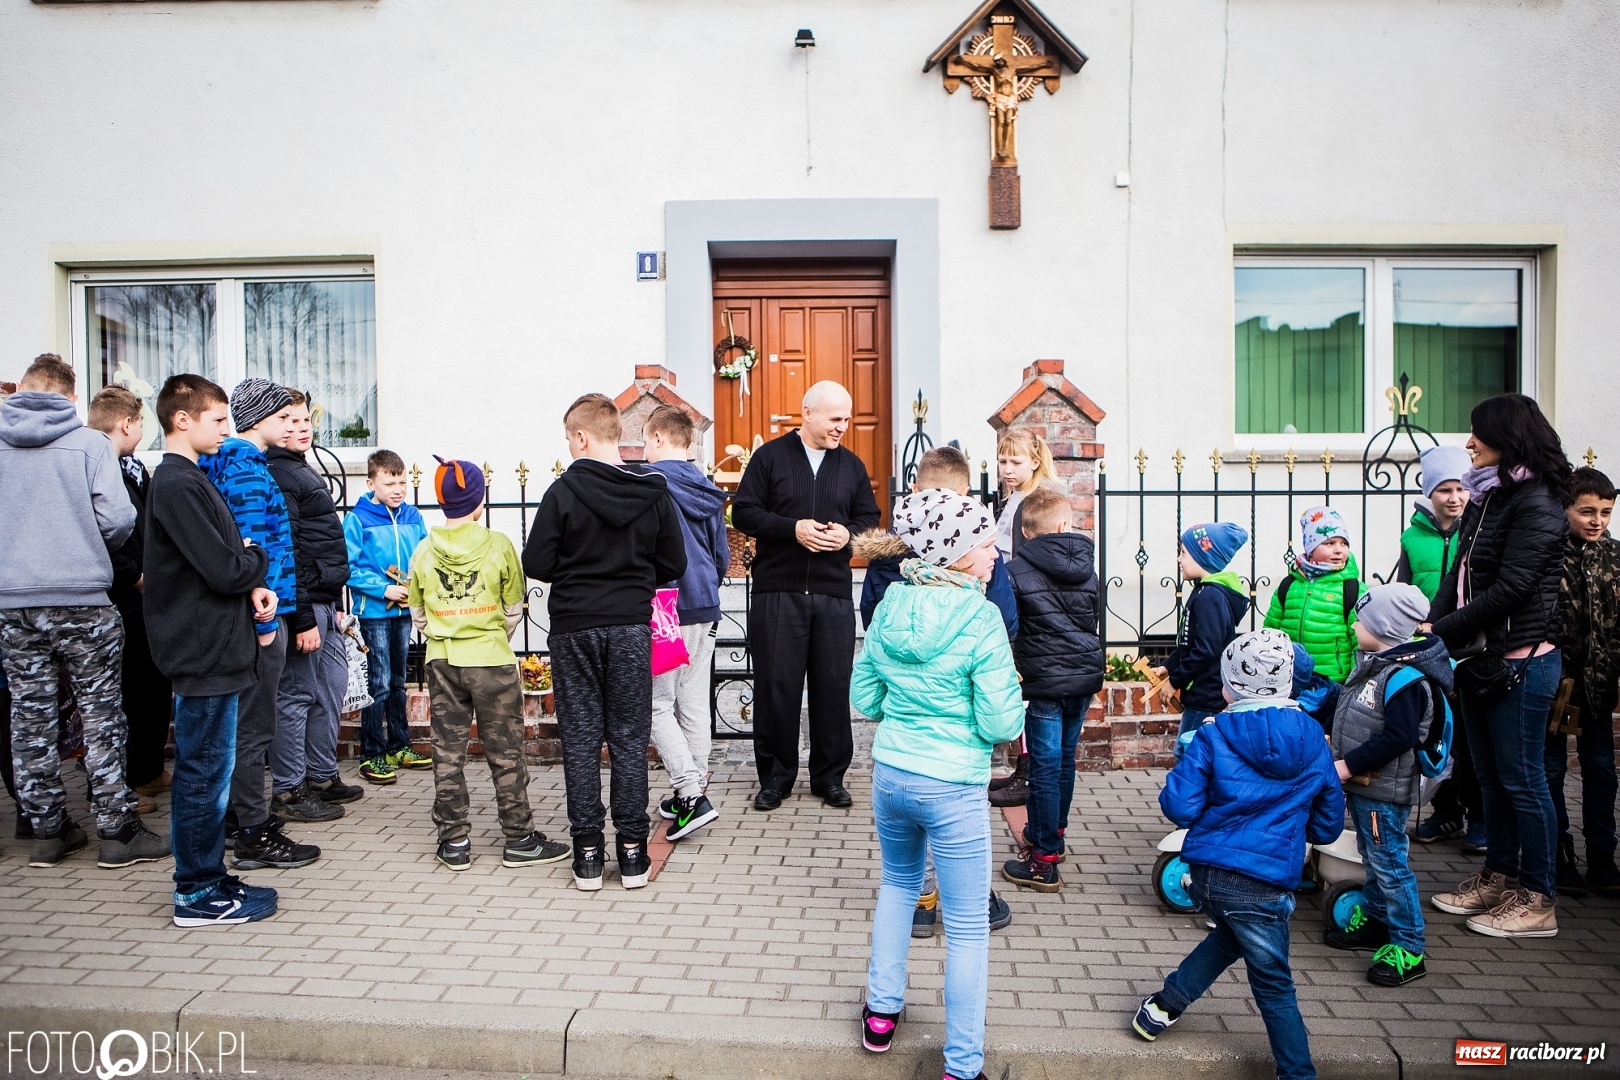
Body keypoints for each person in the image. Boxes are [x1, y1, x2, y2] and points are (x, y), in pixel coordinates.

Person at [851, 491, 1022, 1080]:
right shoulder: (980, 618)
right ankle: (962, 1063)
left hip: (893, 774)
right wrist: (971, 723)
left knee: (898, 885)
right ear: (953, 552)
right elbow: (1002, 722)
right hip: (952, 785)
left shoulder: (892, 602)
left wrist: (909, 711)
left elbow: (864, 696)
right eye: (982, 541)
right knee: (969, 925)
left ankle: (881, 1011)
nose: (995, 550)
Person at [1131, 628, 1343, 1080]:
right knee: (1273, 983)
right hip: (1266, 880)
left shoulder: (1214, 732)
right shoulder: (1313, 739)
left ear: (1229, 687)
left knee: (1231, 934)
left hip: (1209, 874)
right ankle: (1298, 1073)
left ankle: (1163, 1006)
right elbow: (1327, 825)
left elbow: (1179, 806)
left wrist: (1190, 764)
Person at [0, 354, 166, 870]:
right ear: (71, 398)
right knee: (101, 716)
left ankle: (48, 831)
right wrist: (82, 546)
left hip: (13, 602)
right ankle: (117, 831)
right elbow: (117, 519)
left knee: (29, 716)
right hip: (82, 599)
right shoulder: (89, 444)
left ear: (23, 388)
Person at [522, 394, 686, 890]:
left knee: (581, 739)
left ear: (580, 437)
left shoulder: (561, 493)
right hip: (631, 627)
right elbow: (672, 565)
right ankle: (633, 854)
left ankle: (588, 855)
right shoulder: (653, 493)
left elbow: (537, 564)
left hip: (575, 628)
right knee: (630, 740)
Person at [853, 444, 1017, 936]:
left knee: (902, 861)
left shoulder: (892, 559)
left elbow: (871, 634)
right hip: (957, 745)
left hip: (899, 747)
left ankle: (922, 901)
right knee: (957, 833)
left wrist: (896, 683)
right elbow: (1005, 619)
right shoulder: (978, 570)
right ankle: (973, 894)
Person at [1428, 394, 1571, 939]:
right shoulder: (1489, 498)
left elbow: (1513, 589)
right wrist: (1431, 625)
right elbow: (1458, 573)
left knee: (1523, 780)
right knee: (1489, 779)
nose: (1468, 444)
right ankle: (1500, 876)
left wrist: (1443, 631)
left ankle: (1538, 899)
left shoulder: (1536, 504)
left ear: (1506, 437)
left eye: (1477, 434)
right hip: (1480, 658)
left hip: (1521, 662)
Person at [143, 374, 279, 925]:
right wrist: (254, 561)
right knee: (201, 772)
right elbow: (224, 565)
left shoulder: (192, 479)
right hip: (202, 651)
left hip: (217, 645)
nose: (228, 428)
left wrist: (247, 569)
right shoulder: (176, 482)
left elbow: (225, 558)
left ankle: (209, 875)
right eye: (218, 419)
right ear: (183, 419)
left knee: (212, 770)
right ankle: (195, 892)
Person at [410, 456, 568, 872]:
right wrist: (489, 635)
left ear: (440, 501)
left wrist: (448, 633)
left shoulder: (424, 550)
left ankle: (454, 841)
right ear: (480, 500)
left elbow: (418, 616)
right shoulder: (498, 546)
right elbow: (514, 606)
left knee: (447, 751)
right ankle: (519, 838)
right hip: (492, 661)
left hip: (442, 660)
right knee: (506, 751)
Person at [731, 381, 881, 812]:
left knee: (832, 688)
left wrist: (846, 536)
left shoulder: (851, 466)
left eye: (847, 419)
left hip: (833, 593)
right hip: (779, 591)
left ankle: (829, 778)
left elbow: (868, 518)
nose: (842, 428)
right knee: (778, 687)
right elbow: (744, 511)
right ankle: (775, 779)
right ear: (808, 413)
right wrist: (791, 528)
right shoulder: (770, 458)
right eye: (836, 419)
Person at [199, 378, 326, 868]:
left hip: (259, 612)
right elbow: (254, 549)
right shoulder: (248, 467)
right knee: (254, 727)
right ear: (258, 420)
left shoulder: (231, 461)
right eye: (282, 417)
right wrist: (266, 619)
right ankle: (251, 834)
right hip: (262, 616)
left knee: (249, 724)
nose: (293, 424)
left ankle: (242, 817)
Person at [1325, 584, 1452, 987]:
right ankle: (1379, 923)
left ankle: (1410, 948)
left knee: (1390, 865)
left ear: (1383, 627)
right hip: (1368, 789)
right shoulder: (1377, 664)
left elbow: (1398, 738)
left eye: (1361, 619)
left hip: (1382, 790)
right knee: (1375, 858)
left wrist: (1348, 764)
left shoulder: (1403, 678)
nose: (1354, 623)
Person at [1000, 488, 1102, 893]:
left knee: (1043, 768)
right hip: (1082, 678)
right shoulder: (1089, 568)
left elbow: (1010, 625)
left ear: (1025, 531)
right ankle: (1055, 832)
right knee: (1064, 761)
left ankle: (1043, 859)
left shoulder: (1014, 571)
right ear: (1065, 525)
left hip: (1043, 684)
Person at [266, 390, 361, 810]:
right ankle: (289, 788)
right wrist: (303, 616)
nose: (301, 427)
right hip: (305, 606)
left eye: (305, 419)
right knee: (297, 695)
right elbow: (286, 551)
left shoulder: (299, 468)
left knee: (331, 689)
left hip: (325, 602)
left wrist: (331, 603)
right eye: (288, 419)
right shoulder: (281, 472)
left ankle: (322, 776)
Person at [642, 405, 729, 842]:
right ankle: (691, 791)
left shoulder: (650, 483)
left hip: (665, 605)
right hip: (705, 603)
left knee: (656, 703)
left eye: (644, 439)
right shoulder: (707, 488)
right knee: (693, 702)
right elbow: (721, 556)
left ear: (658, 437)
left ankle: (691, 795)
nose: (643, 448)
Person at [87, 386, 173, 805]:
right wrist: (132, 575)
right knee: (123, 696)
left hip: (145, 598)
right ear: (126, 423)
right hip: (122, 597)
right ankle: (117, 780)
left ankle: (147, 770)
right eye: (141, 423)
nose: (144, 431)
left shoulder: (131, 468)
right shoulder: (96, 465)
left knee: (153, 689)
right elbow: (98, 533)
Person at [1397, 445, 1482, 850]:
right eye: (1444, 489)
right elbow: (1406, 588)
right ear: (1429, 493)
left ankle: (1480, 816)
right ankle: (1446, 813)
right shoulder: (1412, 537)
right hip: (1430, 644)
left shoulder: (1478, 529)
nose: (1454, 497)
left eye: (1460, 488)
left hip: (1471, 643)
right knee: (1436, 731)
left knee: (1471, 736)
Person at [1546, 467, 1619, 896]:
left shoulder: (1615, 558)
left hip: (1599, 689)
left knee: (1601, 772)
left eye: (1606, 513)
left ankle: (1603, 858)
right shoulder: (1552, 554)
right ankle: (1559, 855)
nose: (1597, 521)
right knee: (1551, 770)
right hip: (1557, 685)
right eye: (1587, 511)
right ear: (1566, 508)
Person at [858, 446, 1018, 638]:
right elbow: (1005, 622)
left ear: (915, 489)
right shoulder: (979, 551)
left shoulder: (883, 553)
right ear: (964, 493)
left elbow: (871, 618)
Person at [344, 449, 430, 784]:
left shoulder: (412, 516)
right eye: (389, 482)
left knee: (398, 680)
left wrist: (417, 590)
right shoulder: (358, 518)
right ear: (370, 482)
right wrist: (383, 589)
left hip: (404, 611)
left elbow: (424, 558)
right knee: (377, 682)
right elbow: (348, 568)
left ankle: (399, 746)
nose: (398, 489)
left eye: (402, 482)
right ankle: (371, 754)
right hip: (375, 612)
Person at [1151, 522, 1251, 759]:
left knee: (1189, 755)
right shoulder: (1204, 591)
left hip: (1206, 694)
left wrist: (1175, 680)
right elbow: (1189, 643)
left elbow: (1206, 650)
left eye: (1184, 553)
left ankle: (1191, 797)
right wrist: (1169, 665)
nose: (1178, 559)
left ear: (1204, 558)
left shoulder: (1210, 596)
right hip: (1201, 691)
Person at [1264, 507, 1365, 683]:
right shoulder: (1289, 585)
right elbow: (1271, 633)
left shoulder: (1352, 588)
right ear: (1310, 548)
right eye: (1329, 543)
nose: (1339, 550)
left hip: (1335, 680)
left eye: (1344, 543)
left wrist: (1354, 679)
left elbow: (1360, 640)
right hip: (1291, 679)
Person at [992, 428, 1056, 560]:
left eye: (1016, 463)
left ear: (1035, 463)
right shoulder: (1008, 501)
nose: (1008, 470)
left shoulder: (1039, 503)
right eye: (1003, 461)